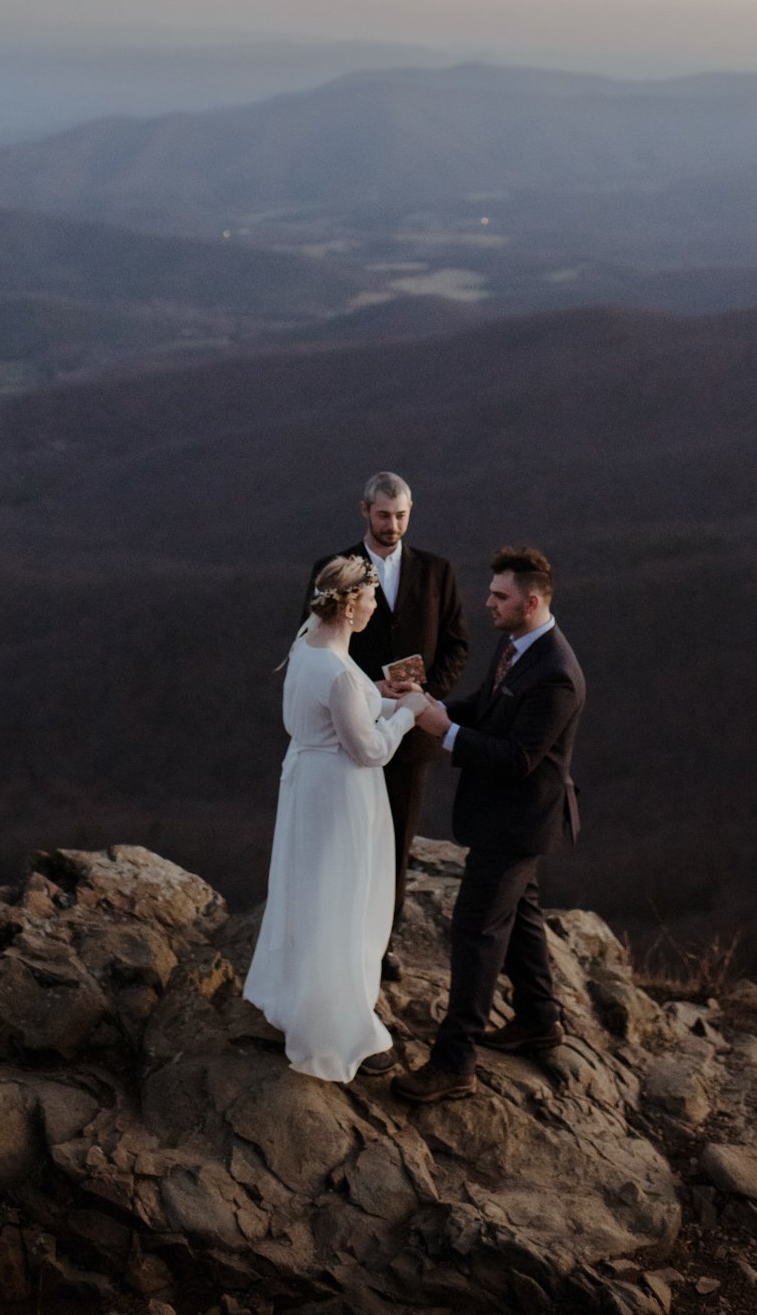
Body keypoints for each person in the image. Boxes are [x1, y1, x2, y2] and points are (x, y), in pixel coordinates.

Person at [393, 545, 585, 1104]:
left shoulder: (556, 676)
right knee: (520, 917)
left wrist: (441, 731)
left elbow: (517, 759)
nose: (488, 603)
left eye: (499, 596)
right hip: (509, 819)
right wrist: (436, 706)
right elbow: (487, 701)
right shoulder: (519, 641)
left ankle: (455, 1064)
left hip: (516, 823)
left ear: (530, 602)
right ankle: (538, 1020)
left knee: (475, 933)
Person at [243, 555, 423, 1082]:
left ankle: (302, 998)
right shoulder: (340, 672)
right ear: (349, 607)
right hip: (342, 794)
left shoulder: (306, 648)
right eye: (369, 598)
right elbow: (369, 750)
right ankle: (337, 1025)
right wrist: (410, 713)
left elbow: (337, 716)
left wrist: (387, 704)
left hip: (309, 786)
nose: (374, 606)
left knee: (311, 892)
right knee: (343, 900)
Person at [304, 471, 469, 978]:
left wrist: (426, 697)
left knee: (395, 841)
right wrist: (362, 691)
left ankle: (382, 943)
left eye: (400, 515)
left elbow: (457, 645)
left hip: (410, 736)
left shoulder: (438, 571)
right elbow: (316, 640)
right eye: (383, 515)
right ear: (364, 511)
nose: (392, 525)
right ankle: (336, 936)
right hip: (350, 725)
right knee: (345, 839)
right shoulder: (332, 569)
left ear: (411, 511)